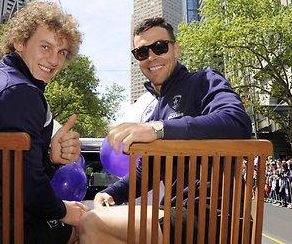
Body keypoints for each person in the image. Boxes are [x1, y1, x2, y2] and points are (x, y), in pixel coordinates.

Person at [79, 17, 252, 243]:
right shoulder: (156, 112)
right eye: (142, 52)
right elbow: (146, 173)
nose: (151, 57)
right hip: (176, 215)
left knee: (92, 224)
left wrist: (160, 129)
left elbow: (237, 121)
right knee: (89, 218)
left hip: (214, 215)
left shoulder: (203, 80)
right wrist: (112, 192)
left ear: (175, 48)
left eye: (160, 47)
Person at [0, 1, 86, 243]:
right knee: (89, 229)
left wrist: (51, 158)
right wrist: (64, 211)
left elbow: (11, 172)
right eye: (46, 47)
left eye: (62, 52)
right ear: (20, 42)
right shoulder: (20, 92)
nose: (54, 60)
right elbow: (26, 187)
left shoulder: (3, 81)